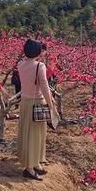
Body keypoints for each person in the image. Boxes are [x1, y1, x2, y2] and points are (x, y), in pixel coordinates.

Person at [17, 39, 56, 180]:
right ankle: (30, 167)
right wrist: (51, 104)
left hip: (25, 103)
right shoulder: (40, 66)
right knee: (36, 135)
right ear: (38, 52)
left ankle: (35, 163)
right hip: (37, 103)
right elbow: (45, 87)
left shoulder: (20, 64)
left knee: (27, 134)